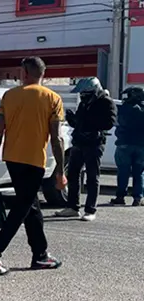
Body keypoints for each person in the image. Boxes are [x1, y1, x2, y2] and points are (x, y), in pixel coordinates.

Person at [0, 56, 65, 276]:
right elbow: (57, 138)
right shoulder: (53, 98)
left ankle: (40, 255)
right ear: (43, 74)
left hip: (12, 159)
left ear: (24, 73)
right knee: (22, 208)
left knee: (31, 206)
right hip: (34, 161)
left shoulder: (9, 96)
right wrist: (60, 170)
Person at [56, 77, 116, 221]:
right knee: (73, 174)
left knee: (92, 177)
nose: (83, 96)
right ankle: (73, 207)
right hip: (79, 142)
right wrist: (72, 119)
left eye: (86, 93)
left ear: (94, 90)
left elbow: (110, 122)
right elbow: (79, 121)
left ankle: (90, 210)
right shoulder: (84, 103)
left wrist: (89, 124)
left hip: (94, 143)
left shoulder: (106, 102)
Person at [111, 86, 144, 206]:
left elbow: (118, 122)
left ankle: (120, 197)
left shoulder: (125, 108)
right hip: (141, 145)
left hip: (124, 143)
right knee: (139, 172)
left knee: (123, 172)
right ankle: (138, 198)